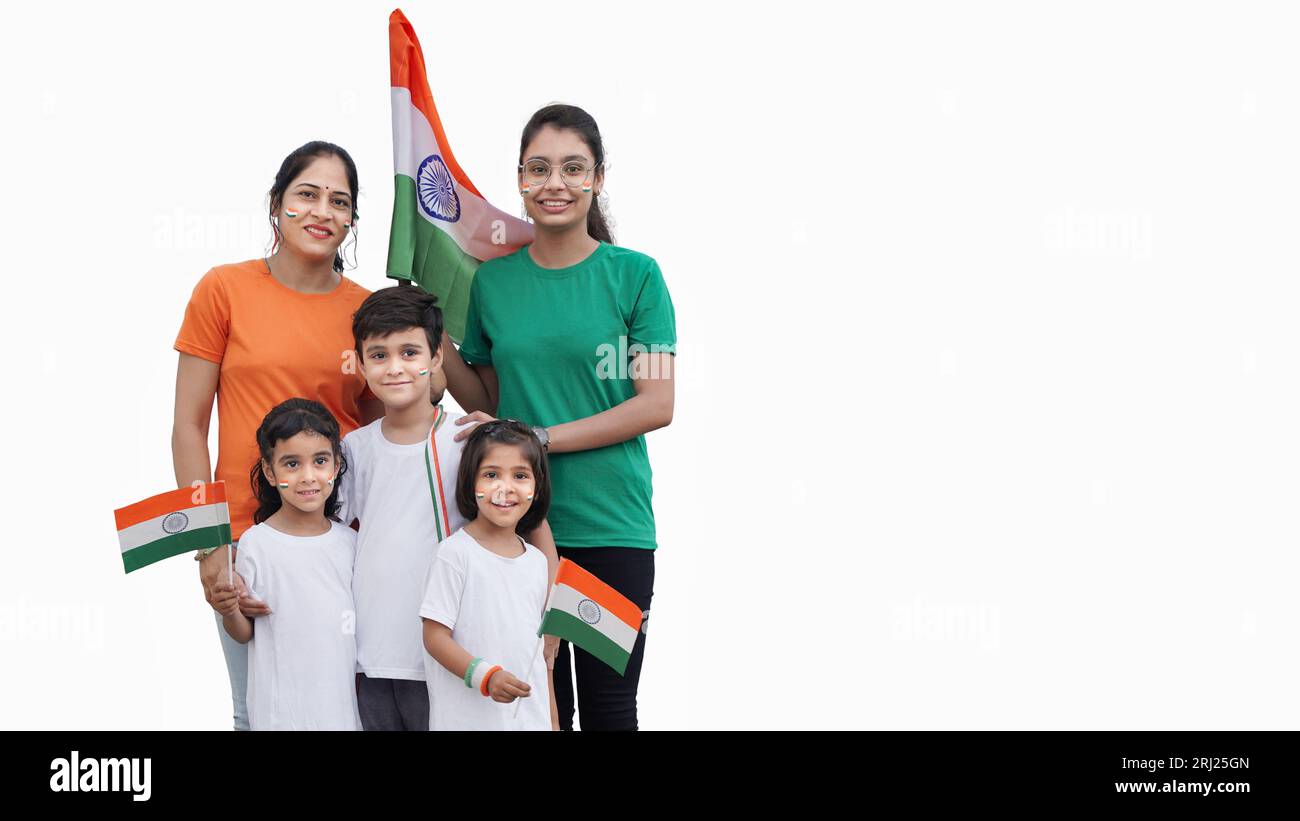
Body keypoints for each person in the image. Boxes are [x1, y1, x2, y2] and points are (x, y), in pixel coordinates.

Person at [440, 104, 676, 730]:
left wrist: (541, 439)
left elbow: (657, 405)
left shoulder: (635, 276)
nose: (556, 183)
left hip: (610, 527)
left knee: (606, 707)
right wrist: (434, 342)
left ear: (598, 178)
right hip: (514, 527)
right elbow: (486, 400)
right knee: (539, 706)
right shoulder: (494, 284)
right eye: (539, 169)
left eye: (574, 169)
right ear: (519, 178)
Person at [172, 141, 381, 730]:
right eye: (307, 195)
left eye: (340, 201)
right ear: (276, 205)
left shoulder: (369, 312)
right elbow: (188, 426)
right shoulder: (224, 289)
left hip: (346, 545)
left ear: (351, 220)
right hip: (244, 539)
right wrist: (209, 546)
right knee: (256, 708)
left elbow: (383, 424)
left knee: (351, 708)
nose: (323, 212)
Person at [339, 285, 558, 730]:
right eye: (378, 355)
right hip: (372, 655)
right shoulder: (353, 450)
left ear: (436, 358)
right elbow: (329, 540)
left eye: (409, 352)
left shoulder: (470, 438)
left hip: (457, 656)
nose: (395, 367)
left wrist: (552, 618)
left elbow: (535, 529)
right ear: (360, 363)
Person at [212, 399, 360, 731]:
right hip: (279, 715)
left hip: (341, 713)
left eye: (320, 461)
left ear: (336, 466)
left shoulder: (349, 543)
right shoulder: (256, 543)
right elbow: (245, 632)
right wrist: (229, 610)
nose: (308, 477)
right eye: (292, 464)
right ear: (269, 471)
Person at [421, 420, 557, 731]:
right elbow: (434, 637)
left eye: (520, 476)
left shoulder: (537, 562)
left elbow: (541, 660)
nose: (505, 487)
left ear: (537, 489)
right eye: (491, 475)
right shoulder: (455, 554)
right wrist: (487, 676)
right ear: (471, 482)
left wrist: (552, 721)